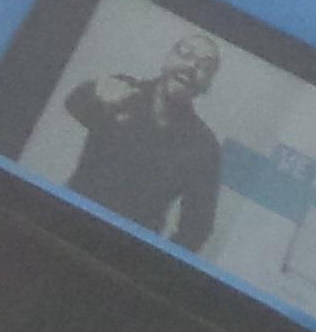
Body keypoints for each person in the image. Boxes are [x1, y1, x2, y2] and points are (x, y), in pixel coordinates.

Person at [61, 33, 225, 248]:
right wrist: (98, 97)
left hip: (125, 251)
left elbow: (197, 228)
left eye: (205, 66)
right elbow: (74, 101)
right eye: (185, 53)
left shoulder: (205, 148)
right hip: (65, 222)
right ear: (167, 58)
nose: (191, 66)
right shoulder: (124, 90)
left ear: (208, 84)